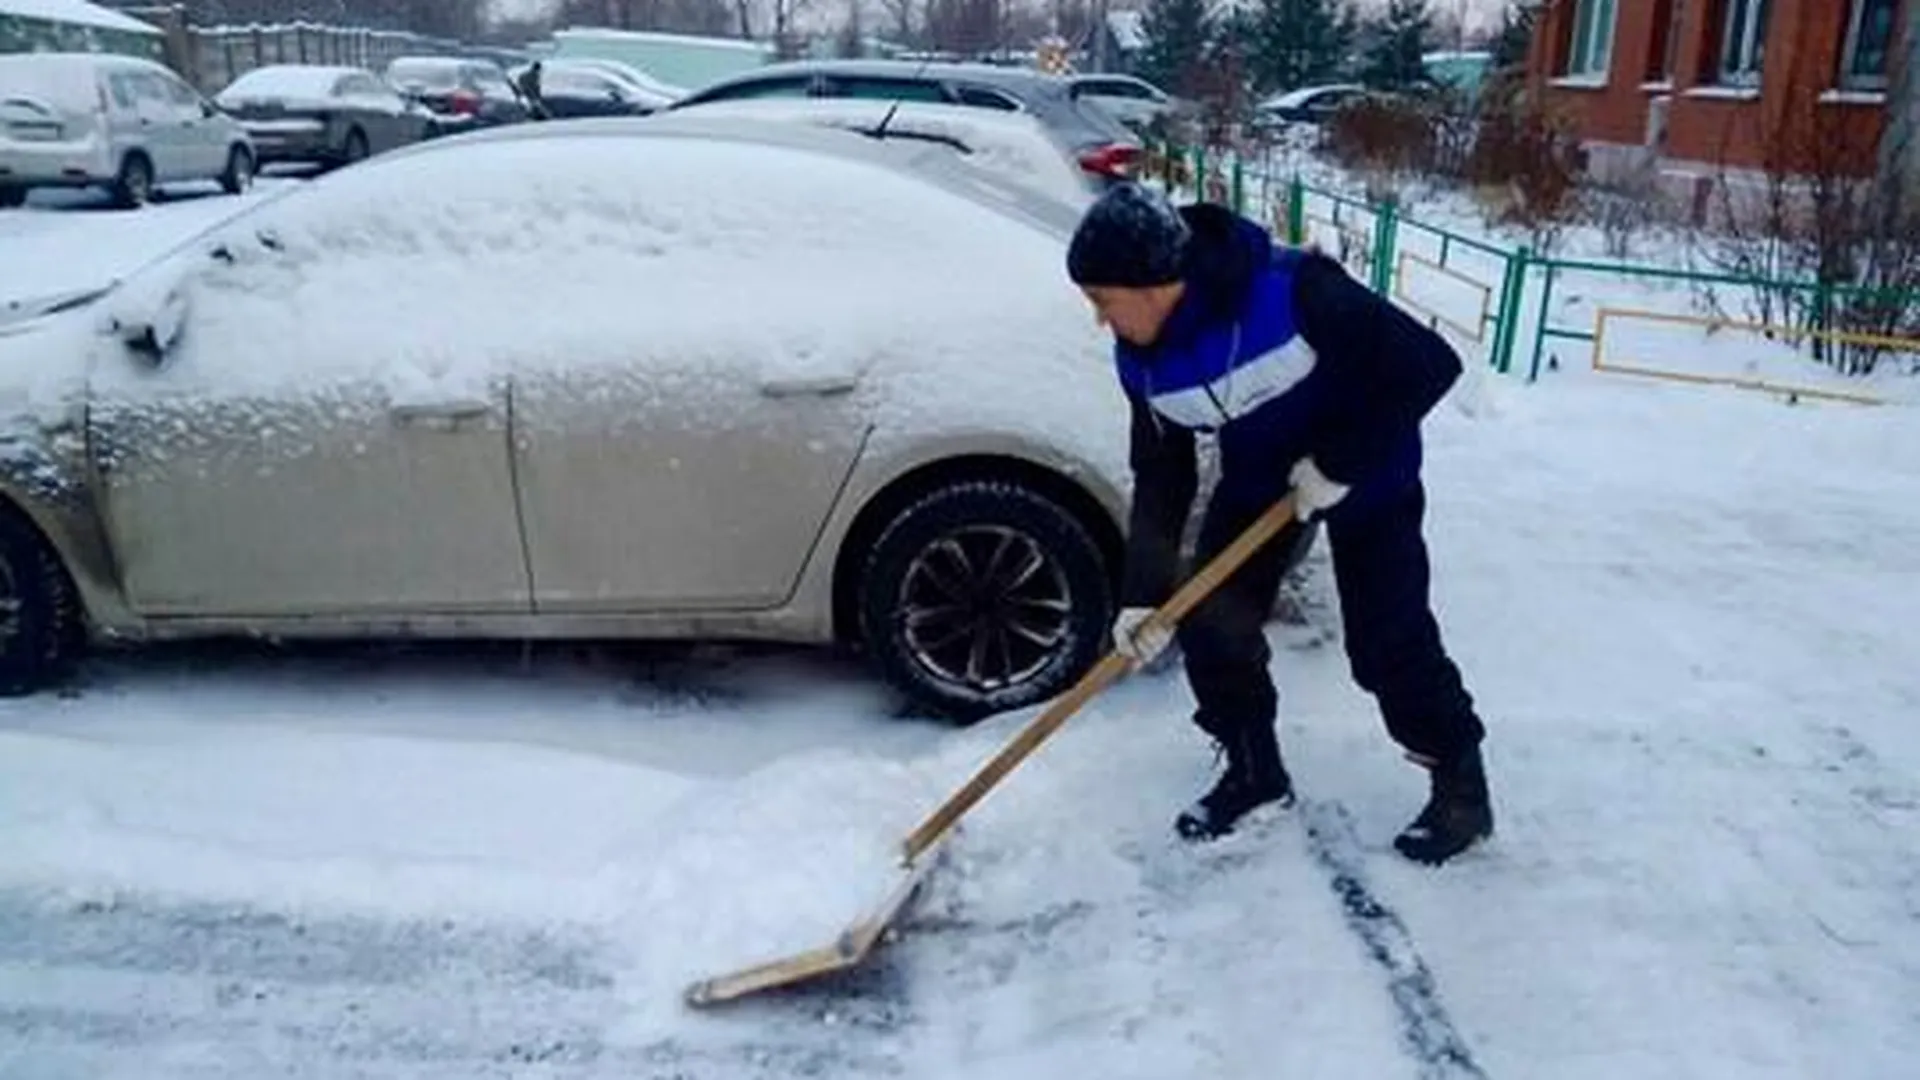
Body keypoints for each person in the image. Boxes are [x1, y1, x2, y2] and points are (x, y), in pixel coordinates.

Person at [1065, 182, 1493, 866]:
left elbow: (1428, 365)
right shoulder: (1142, 361)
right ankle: (1254, 771)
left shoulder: (1293, 292)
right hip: (1262, 481)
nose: (1099, 319)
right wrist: (1143, 597)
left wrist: (1339, 463)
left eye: (1103, 300)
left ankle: (1461, 786)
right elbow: (1163, 471)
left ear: (1153, 284)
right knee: (1209, 620)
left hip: (1370, 471)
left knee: (1388, 644)